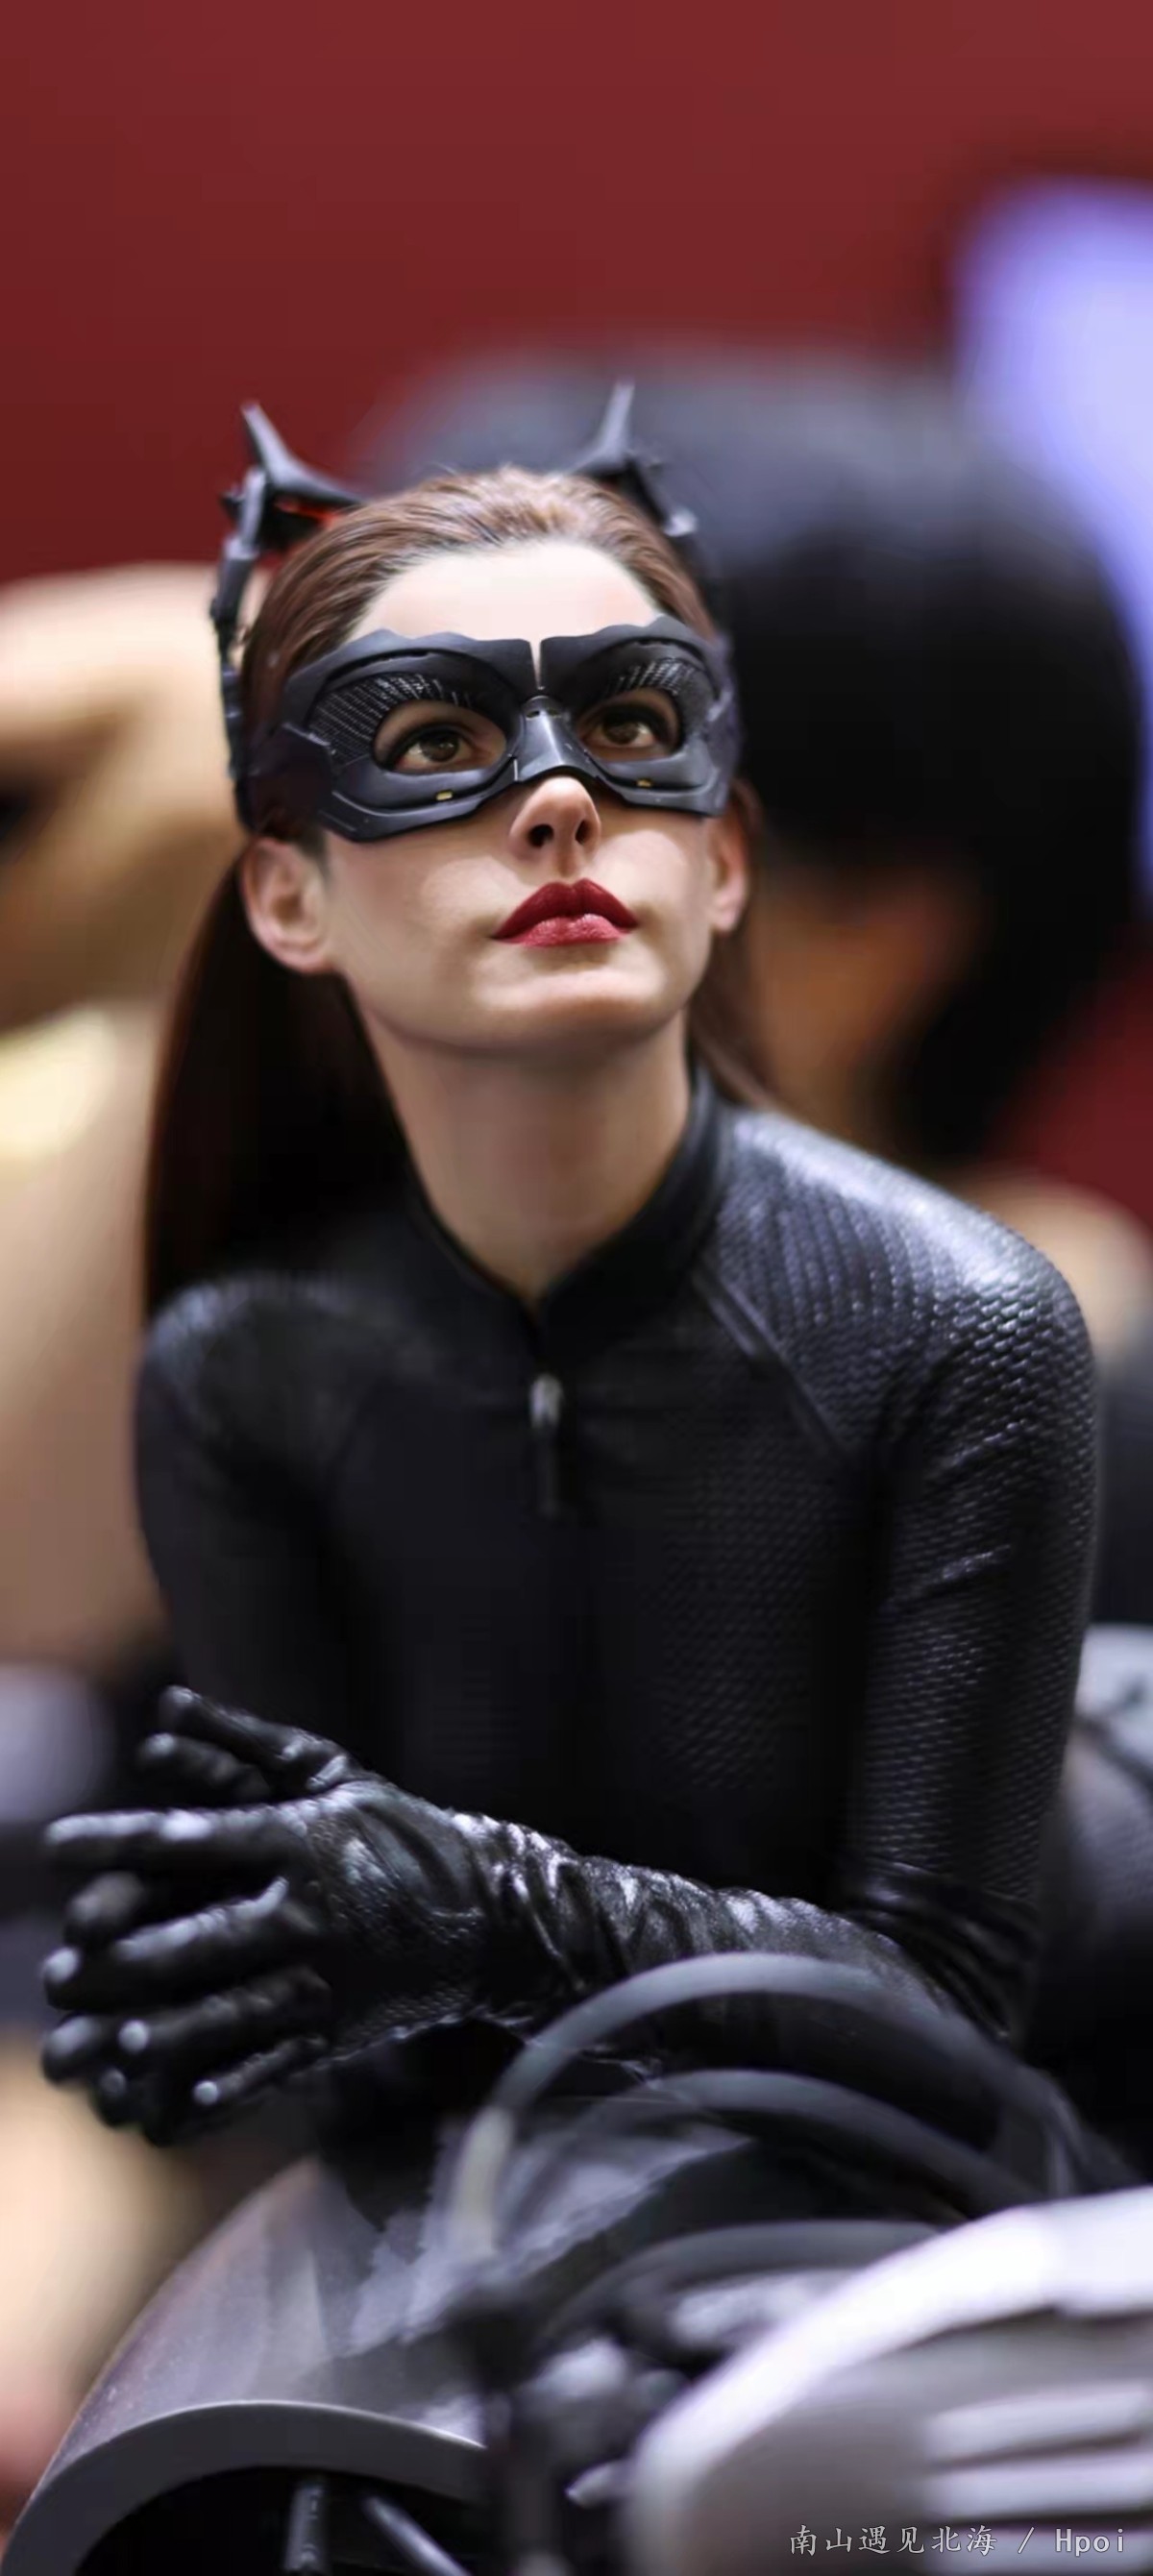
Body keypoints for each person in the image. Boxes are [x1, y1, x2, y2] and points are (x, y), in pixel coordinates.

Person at [36, 415, 1103, 2163]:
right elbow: (369, 2051)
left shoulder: (955, 1326)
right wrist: (230, 1978)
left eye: (630, 727)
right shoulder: (249, 1370)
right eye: (434, 742)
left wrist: (492, 1914)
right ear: (290, 897)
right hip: (514, 2177)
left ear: (724, 860)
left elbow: (946, 2015)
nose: (556, 797)